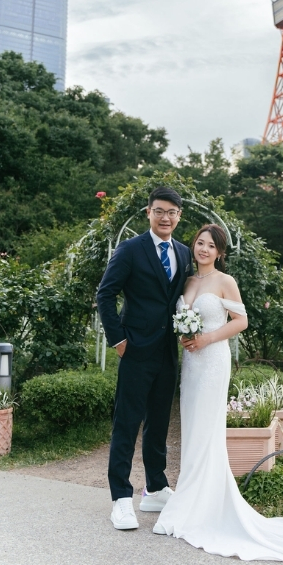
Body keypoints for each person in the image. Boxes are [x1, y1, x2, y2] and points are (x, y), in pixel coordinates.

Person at [150, 223, 283, 561]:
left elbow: (240, 321)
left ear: (219, 252)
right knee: (193, 430)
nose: (203, 249)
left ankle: (195, 507)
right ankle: (190, 498)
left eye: (211, 246)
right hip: (192, 363)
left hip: (213, 360)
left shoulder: (224, 281)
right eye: (199, 243)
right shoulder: (186, 282)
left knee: (207, 428)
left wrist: (206, 338)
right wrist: (186, 337)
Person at [98, 186, 191, 531]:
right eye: (160, 211)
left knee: (159, 423)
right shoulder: (130, 249)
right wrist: (119, 339)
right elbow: (105, 294)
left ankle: (154, 486)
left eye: (172, 212)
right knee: (127, 423)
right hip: (135, 349)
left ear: (179, 217)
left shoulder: (183, 252)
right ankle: (121, 498)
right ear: (149, 213)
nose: (166, 218)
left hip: (168, 351)